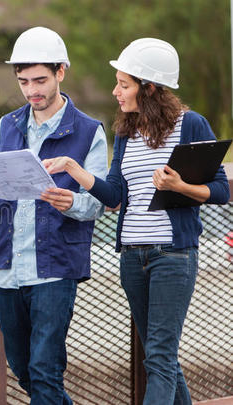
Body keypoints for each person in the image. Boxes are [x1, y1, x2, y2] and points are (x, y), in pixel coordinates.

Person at [43, 38, 230, 404]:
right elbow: (114, 195)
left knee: (159, 359)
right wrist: (72, 168)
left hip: (173, 257)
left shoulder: (190, 125)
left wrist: (181, 185)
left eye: (123, 84)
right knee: (162, 359)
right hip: (132, 258)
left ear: (151, 88)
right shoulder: (126, 133)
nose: (116, 92)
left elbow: (221, 191)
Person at [0, 26, 108, 404]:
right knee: (25, 370)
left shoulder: (90, 131)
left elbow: (99, 202)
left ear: (61, 72)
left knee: (45, 371)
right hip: (8, 269)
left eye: (40, 80)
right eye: (24, 81)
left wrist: (71, 202)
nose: (32, 91)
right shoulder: (6, 126)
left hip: (55, 267)